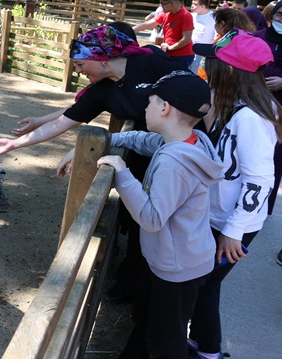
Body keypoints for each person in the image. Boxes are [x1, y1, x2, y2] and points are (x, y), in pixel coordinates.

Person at [0, 24, 188, 304]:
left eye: (80, 64)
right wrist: (13, 144)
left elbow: (196, 96)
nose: (78, 71)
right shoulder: (101, 91)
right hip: (147, 154)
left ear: (101, 57)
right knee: (145, 222)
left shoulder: (150, 62)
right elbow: (63, 121)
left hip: (182, 155)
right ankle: (138, 288)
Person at [98, 70, 223, 359]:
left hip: (177, 267)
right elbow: (147, 141)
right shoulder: (191, 141)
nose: (144, 108)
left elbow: (152, 218)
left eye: (150, 102)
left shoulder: (174, 163)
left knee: (165, 341)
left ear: (165, 108)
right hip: (175, 260)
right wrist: (113, 138)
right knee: (149, 323)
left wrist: (121, 173)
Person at [188, 29, 282, 359]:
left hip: (234, 221)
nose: (204, 64)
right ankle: (205, 346)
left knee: (201, 285)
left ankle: (209, 351)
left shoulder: (252, 118)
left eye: (210, 61)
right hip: (218, 214)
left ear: (228, 70)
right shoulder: (231, 104)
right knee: (205, 285)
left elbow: (259, 180)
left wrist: (233, 232)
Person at [253, 0, 282, 216]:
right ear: (271, 15)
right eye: (279, 14)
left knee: (274, 159)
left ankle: (263, 207)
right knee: (247, 153)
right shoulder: (257, 38)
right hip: (253, 106)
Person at [134, 0, 195, 67]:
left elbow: (187, 38)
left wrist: (171, 48)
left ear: (172, 3)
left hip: (182, 55)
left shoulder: (186, 16)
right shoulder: (164, 14)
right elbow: (147, 24)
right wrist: (130, 29)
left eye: (163, 4)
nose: (161, 6)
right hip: (168, 53)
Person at [197, 9, 255, 81]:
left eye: (215, 22)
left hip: (220, 84)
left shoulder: (225, 42)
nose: (214, 25)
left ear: (221, 24)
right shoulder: (247, 39)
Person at [190, 0, 217, 74]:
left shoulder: (213, 17)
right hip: (189, 49)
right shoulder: (191, 16)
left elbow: (216, 36)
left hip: (204, 52)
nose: (192, 6)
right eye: (192, 4)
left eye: (195, 4)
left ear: (202, 6)